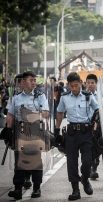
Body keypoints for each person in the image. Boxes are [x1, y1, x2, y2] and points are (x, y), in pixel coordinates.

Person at [55, 72, 99, 200]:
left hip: (86, 132)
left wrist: (95, 123)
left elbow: (97, 109)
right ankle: (75, 190)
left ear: (81, 83)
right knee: (71, 162)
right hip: (72, 133)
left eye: (76, 85)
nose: (74, 88)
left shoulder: (88, 96)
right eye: (71, 86)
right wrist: (57, 131)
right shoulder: (64, 97)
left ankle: (84, 179)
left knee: (87, 161)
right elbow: (59, 113)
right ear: (68, 85)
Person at [6, 71, 49, 200]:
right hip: (20, 131)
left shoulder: (40, 96)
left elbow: (46, 113)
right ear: (23, 82)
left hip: (35, 130)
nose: (34, 83)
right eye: (31, 80)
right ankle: (18, 188)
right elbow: (10, 115)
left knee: (36, 160)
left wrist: (35, 114)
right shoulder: (15, 97)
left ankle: (36, 188)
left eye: (35, 80)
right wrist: (8, 130)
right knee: (19, 161)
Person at [84, 74, 101, 181]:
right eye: (88, 82)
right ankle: (89, 168)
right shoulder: (81, 95)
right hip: (85, 126)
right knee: (87, 148)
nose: (90, 85)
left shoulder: (100, 96)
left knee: (96, 148)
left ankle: (94, 167)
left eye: (92, 83)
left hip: (97, 126)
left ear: (96, 84)